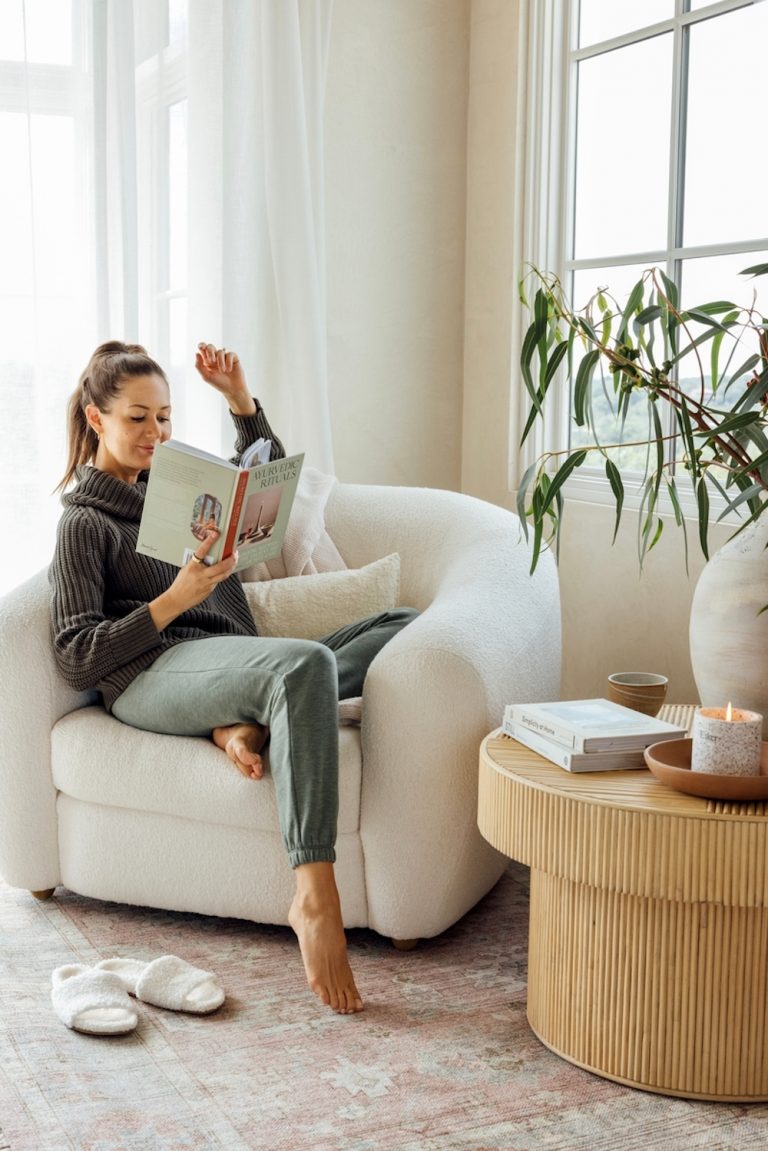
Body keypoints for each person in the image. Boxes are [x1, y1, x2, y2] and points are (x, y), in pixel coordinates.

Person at [50, 340, 418, 1015]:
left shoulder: (179, 488)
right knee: (304, 664)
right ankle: (314, 892)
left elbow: (266, 476)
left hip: (229, 661)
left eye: (163, 417)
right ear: (96, 419)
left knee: (402, 621)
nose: (155, 434)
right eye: (137, 418)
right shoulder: (84, 523)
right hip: (152, 676)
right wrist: (176, 599)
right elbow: (75, 651)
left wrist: (240, 400)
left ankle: (244, 720)